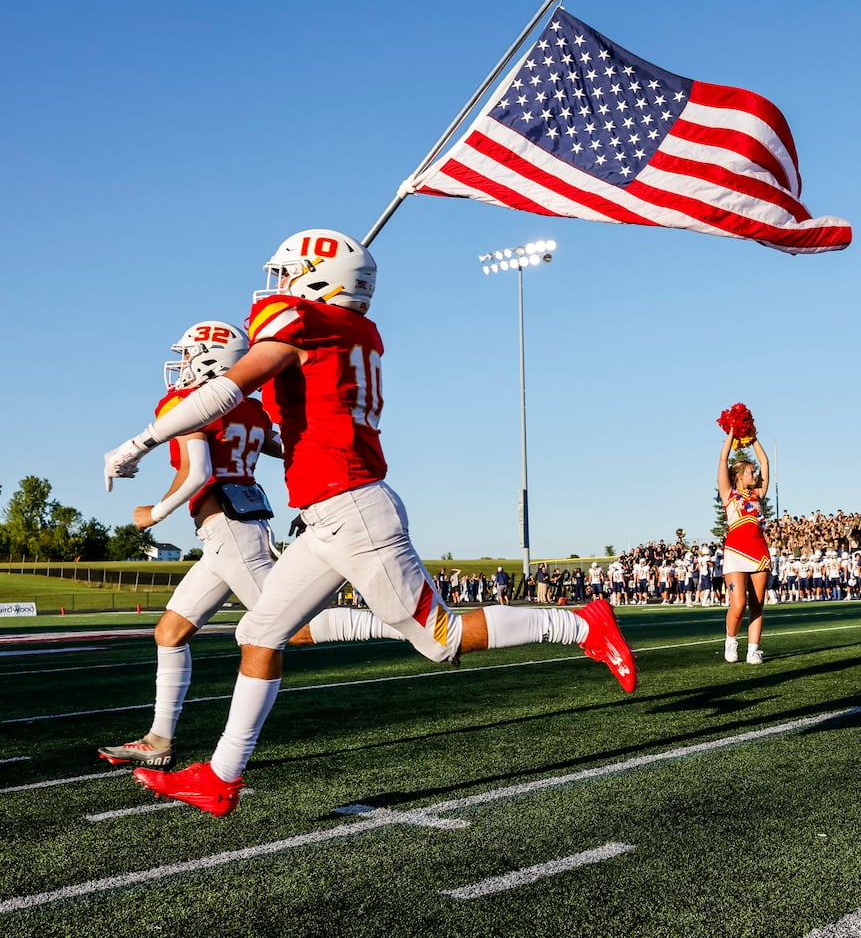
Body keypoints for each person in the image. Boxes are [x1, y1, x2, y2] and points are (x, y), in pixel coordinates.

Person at [102, 229, 636, 816]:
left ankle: (581, 625)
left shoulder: (311, 326)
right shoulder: (346, 329)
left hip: (352, 507)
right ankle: (220, 778)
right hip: (330, 510)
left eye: (288, 274)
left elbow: (226, 390)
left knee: (442, 641)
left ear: (317, 278)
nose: (277, 286)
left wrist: (140, 442)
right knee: (257, 632)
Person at [97, 321, 280, 770]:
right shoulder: (252, 410)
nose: (179, 365)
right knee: (170, 632)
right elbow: (286, 446)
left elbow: (197, 473)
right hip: (232, 530)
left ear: (207, 358)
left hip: (229, 530)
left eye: (187, 356)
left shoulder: (186, 402)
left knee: (291, 628)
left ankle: (411, 626)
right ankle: (159, 739)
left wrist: (154, 514)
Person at [718, 428, 770, 664]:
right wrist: (732, 432)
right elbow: (722, 458)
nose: (755, 473)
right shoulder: (728, 493)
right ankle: (731, 640)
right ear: (739, 475)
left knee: (757, 604)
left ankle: (753, 649)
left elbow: (765, 461)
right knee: (738, 604)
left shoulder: (757, 495)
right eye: (751, 472)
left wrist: (752, 436)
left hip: (759, 553)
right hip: (735, 552)